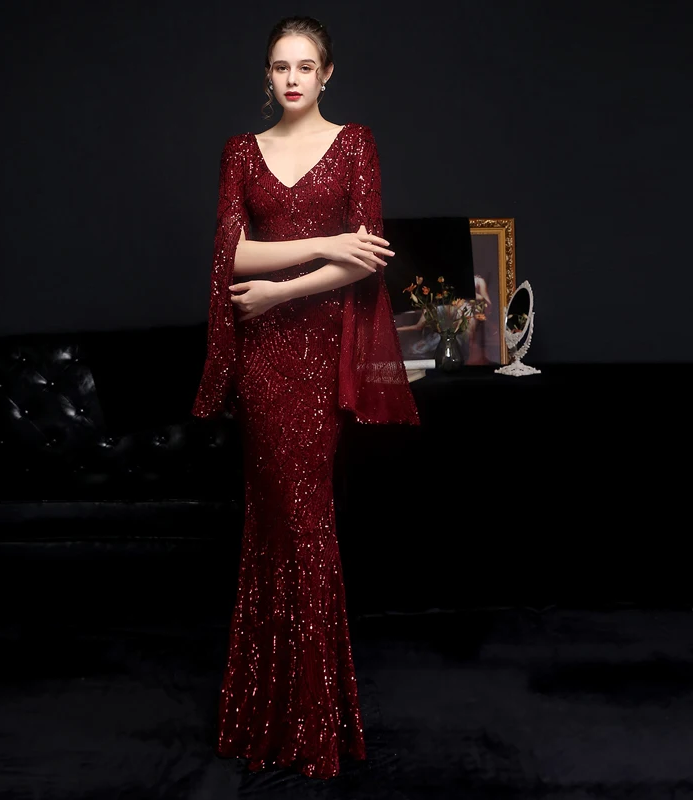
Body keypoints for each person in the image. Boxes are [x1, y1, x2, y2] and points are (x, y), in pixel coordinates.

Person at [192, 15, 420, 780]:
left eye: (305, 66)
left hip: (320, 355)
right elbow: (231, 254)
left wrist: (283, 289)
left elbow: (369, 256)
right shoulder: (241, 152)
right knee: (273, 526)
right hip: (263, 362)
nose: (292, 78)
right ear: (268, 76)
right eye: (279, 67)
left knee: (307, 522)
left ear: (327, 75)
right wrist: (325, 244)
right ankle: (263, 713)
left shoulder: (355, 144)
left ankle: (314, 719)